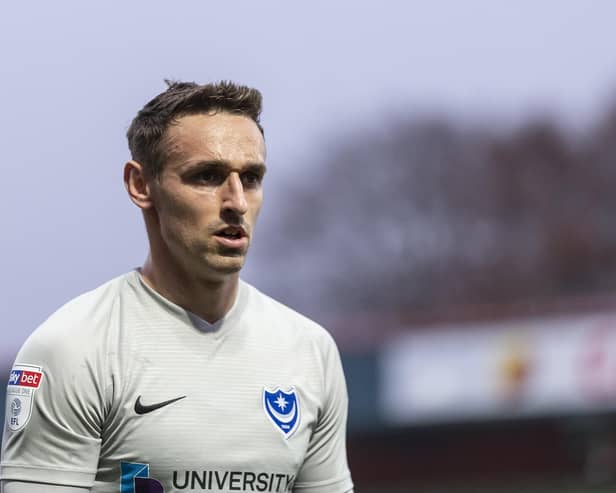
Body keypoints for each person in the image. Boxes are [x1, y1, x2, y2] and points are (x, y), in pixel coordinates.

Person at [0, 81, 353, 493]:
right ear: (141, 185)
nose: (236, 201)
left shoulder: (310, 350)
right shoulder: (73, 349)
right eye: (207, 176)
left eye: (252, 178)